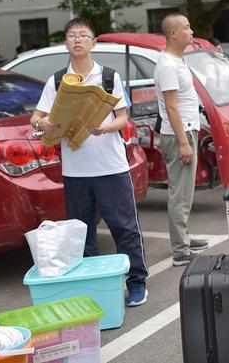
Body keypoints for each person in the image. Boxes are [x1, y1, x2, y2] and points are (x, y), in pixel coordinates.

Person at [30, 17, 149, 306]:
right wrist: (44, 124)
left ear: (94, 43)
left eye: (84, 35)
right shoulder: (58, 81)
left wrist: (103, 128)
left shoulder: (108, 77)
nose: (78, 39)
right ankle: (92, 290)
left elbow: (123, 117)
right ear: (66, 43)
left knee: (124, 227)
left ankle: (137, 282)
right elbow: (37, 116)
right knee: (82, 233)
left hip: (111, 167)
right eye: (72, 35)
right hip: (76, 172)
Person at [154, 13, 208, 267]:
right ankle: (180, 250)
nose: (191, 31)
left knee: (185, 192)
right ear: (173, 34)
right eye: (186, 27)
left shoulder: (178, 60)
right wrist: (184, 142)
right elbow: (172, 107)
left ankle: (183, 238)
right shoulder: (167, 65)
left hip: (185, 130)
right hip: (179, 134)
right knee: (180, 193)